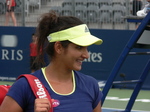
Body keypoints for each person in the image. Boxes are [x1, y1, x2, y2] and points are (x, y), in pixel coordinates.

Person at [0, 11, 103, 112]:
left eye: (86, 48)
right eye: (79, 47)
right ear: (58, 47)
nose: (86, 55)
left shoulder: (91, 85)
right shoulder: (24, 86)